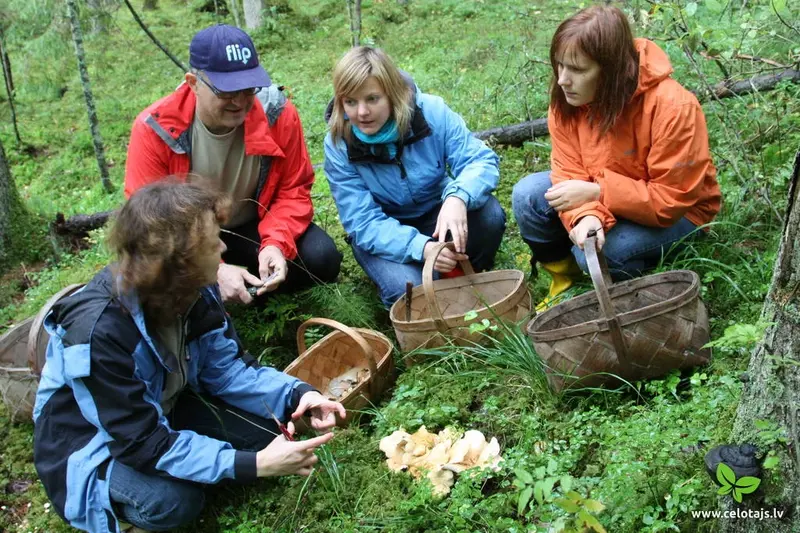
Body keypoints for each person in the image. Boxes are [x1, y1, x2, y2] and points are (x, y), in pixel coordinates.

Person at [33, 181, 346, 533]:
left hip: (159, 405)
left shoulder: (193, 289)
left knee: (265, 435)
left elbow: (227, 370)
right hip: (90, 441)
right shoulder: (99, 333)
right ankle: (118, 503)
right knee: (174, 502)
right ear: (178, 260)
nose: (224, 247)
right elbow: (142, 443)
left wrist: (299, 394)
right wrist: (253, 465)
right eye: (214, 242)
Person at [512, 5, 721, 310]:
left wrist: (599, 193)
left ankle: (631, 290)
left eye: (578, 70)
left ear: (611, 70)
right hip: (609, 196)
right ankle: (567, 282)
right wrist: (587, 216)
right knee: (528, 196)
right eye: (560, 66)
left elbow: (670, 201)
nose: (563, 80)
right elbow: (570, 172)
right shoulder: (568, 102)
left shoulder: (673, 107)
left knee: (603, 254)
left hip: (681, 213)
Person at [124, 24, 342, 305]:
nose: (239, 101)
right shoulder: (156, 130)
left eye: (247, 88)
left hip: (254, 225)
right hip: (190, 239)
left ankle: (252, 292)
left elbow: (293, 189)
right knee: (155, 278)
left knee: (320, 257)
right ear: (193, 83)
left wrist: (275, 243)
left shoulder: (277, 114)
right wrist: (213, 269)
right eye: (226, 91)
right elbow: (150, 222)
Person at [323, 46, 506, 308]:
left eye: (372, 99)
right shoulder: (338, 144)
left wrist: (457, 197)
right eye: (350, 102)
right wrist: (422, 248)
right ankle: (430, 285)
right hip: (385, 230)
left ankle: (467, 277)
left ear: (392, 93)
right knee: (407, 290)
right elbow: (363, 222)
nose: (361, 112)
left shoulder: (431, 113)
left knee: (489, 215)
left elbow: (479, 160)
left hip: (437, 213)